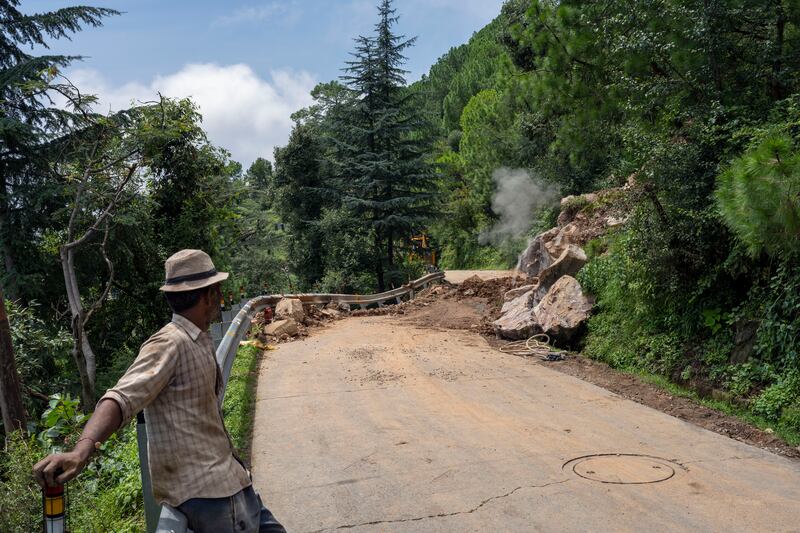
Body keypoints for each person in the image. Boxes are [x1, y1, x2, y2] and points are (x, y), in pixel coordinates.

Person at [33, 249, 286, 532]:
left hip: (233, 481)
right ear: (208, 295)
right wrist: (81, 451)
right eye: (217, 289)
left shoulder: (197, 338)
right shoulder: (168, 343)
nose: (220, 295)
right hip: (210, 499)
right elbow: (120, 398)